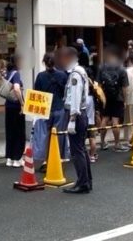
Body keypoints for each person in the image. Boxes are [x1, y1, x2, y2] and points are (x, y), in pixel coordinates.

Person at [59, 46, 92, 194]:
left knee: (76, 150)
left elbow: (76, 96)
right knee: (81, 149)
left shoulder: (75, 75)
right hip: (81, 114)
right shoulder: (80, 71)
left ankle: (82, 182)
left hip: (76, 115)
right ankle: (86, 180)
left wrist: (72, 118)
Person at [32, 53, 67, 168]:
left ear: (44, 62)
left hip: (45, 108)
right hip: (59, 107)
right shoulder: (62, 75)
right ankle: (57, 159)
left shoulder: (40, 76)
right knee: (58, 135)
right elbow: (65, 92)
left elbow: (36, 94)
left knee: (45, 136)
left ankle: (45, 160)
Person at [97, 46, 129, 151]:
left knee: (104, 119)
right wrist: (125, 100)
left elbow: (98, 85)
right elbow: (125, 87)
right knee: (116, 121)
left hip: (105, 97)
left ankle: (102, 142)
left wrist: (100, 98)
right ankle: (117, 144)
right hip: (118, 97)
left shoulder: (102, 67)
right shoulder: (122, 69)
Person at [2, 56, 25, 168]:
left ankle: (9, 158)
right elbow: (16, 88)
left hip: (8, 106)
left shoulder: (8, 73)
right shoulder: (16, 74)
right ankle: (18, 158)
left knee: (10, 132)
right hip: (16, 107)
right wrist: (22, 103)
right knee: (19, 132)